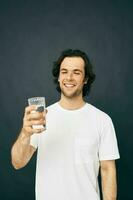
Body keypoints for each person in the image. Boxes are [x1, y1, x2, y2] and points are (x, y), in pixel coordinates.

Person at [11, 49, 120, 200]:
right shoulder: (42, 117)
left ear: (85, 79)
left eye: (76, 72)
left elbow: (108, 170)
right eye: (64, 71)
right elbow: (17, 163)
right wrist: (25, 133)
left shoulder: (102, 120)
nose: (69, 77)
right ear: (59, 76)